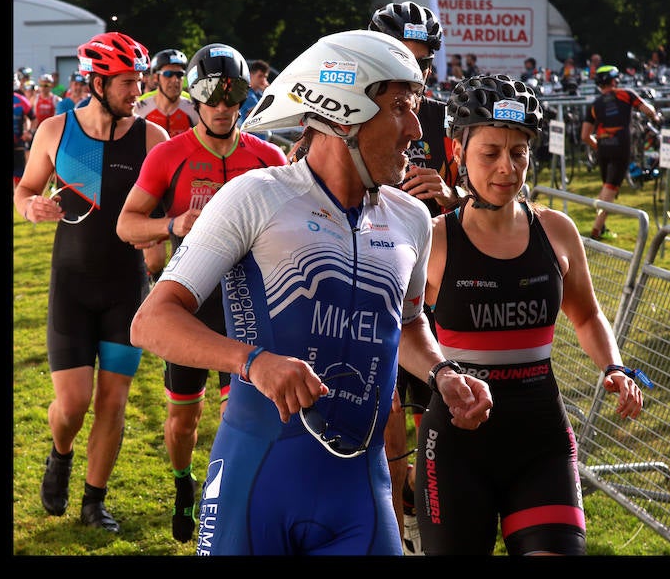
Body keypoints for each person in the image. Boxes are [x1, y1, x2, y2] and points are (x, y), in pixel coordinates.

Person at [129, 29, 493, 556]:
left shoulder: (412, 218)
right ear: (344, 114)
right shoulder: (257, 196)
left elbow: (407, 322)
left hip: (360, 488)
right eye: (399, 108)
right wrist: (254, 362)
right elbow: (152, 321)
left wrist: (443, 373)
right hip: (258, 476)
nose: (417, 128)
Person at [411, 73, 646, 556]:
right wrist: (440, 374)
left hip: (540, 439)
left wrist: (614, 366)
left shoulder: (556, 231)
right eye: (490, 152)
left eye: (518, 152)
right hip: (456, 442)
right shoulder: (433, 238)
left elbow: (586, 315)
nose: (506, 168)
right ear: (457, 152)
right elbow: (400, 327)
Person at [117, 42, 287, 543]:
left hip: (247, 304)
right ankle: (182, 485)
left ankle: (238, 497)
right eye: (210, 96)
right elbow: (127, 226)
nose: (220, 108)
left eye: (231, 97)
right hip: (192, 305)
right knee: (183, 420)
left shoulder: (266, 156)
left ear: (243, 99)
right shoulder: (169, 155)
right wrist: (174, 223)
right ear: (194, 96)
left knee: (246, 414)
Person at [13, 31, 167, 533]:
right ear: (97, 82)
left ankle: (93, 501)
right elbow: (26, 189)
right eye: (127, 82)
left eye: (140, 81)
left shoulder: (151, 139)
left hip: (126, 289)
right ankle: (60, 454)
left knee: (113, 401)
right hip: (72, 288)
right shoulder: (55, 130)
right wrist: (30, 207)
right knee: (74, 402)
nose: (137, 92)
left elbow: (161, 210)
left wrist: (160, 252)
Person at [367, 0, 464, 555]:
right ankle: (395, 518)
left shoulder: (444, 116)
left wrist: (449, 197)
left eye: (423, 62)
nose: (414, 69)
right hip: (376, 270)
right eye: (403, 57)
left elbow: (479, 192)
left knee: (432, 406)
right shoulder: (353, 106)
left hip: (436, 280)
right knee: (387, 408)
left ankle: (423, 513)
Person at [134, 48, 200, 283]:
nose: (175, 81)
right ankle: (153, 289)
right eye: (169, 74)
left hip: (185, 186)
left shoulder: (192, 107)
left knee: (186, 255)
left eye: (180, 75)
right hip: (151, 186)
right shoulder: (140, 108)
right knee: (154, 260)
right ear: (155, 77)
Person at [580, 65, 660, 240]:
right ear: (615, 80)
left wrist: (598, 147)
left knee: (606, 186)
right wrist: (656, 117)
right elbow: (648, 110)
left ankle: (601, 225)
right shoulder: (626, 94)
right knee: (611, 188)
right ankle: (596, 229)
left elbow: (585, 135)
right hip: (620, 146)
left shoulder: (595, 104)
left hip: (602, 147)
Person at [239, 59, 271, 140]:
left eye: (265, 77)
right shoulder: (246, 93)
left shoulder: (260, 95)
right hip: (248, 139)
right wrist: (269, 94)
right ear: (250, 75)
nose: (263, 80)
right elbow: (259, 113)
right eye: (260, 76)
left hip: (257, 140)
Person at [13, 83, 35, 190]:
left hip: (18, 143)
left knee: (19, 175)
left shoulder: (21, 100)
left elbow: (34, 119)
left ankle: (18, 201)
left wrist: (29, 132)